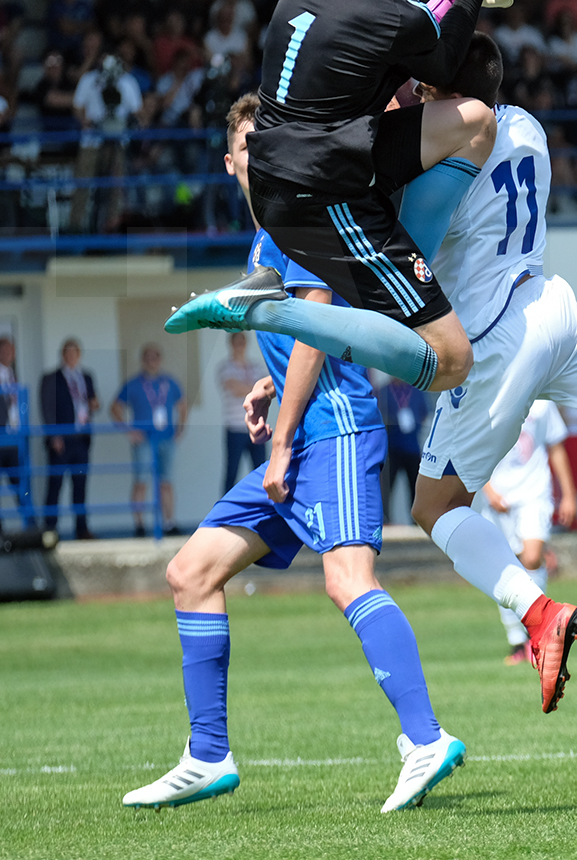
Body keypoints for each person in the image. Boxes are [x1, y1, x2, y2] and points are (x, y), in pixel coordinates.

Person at [177, 34, 577, 716]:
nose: (414, 99)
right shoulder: (528, 127)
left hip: (493, 342)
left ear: (439, 97)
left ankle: (536, 613)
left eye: (423, 91)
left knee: (434, 507)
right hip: (552, 305)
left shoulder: (440, 162)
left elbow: (392, 268)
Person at [124, 94, 465, 813]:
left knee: (347, 579)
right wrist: (267, 386)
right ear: (230, 163)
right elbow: (310, 332)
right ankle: (207, 755)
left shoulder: (298, 217)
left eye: (273, 144)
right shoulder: (266, 234)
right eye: (252, 146)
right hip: (305, 430)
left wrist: (279, 440)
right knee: (191, 572)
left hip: (332, 432)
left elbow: (317, 328)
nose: (264, 157)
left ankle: (425, 738)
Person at [169, 0, 556, 398]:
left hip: (293, 169)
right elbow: (437, 57)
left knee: (474, 121)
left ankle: (393, 261)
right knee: (450, 360)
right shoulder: (384, 12)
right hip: (322, 195)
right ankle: (272, 311)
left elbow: (417, 29)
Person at [479, 400, 577, 664]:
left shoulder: (543, 402)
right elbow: (475, 450)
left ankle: (538, 629)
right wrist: (489, 491)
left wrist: (568, 495)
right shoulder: (491, 398)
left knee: (532, 558)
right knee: (505, 570)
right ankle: (516, 640)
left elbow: (556, 447)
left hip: (535, 493)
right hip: (500, 498)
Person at [112, 344, 187, 537]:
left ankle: (169, 523)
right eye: (148, 357)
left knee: (166, 482)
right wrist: (129, 431)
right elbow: (115, 408)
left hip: (166, 439)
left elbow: (183, 404)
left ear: (160, 360)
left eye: (155, 357)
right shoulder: (134, 384)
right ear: (143, 360)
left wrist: (180, 428)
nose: (152, 361)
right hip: (144, 440)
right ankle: (140, 525)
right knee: (141, 481)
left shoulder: (169, 382)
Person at [39, 339, 97, 539]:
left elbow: (91, 402)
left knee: (80, 485)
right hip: (61, 441)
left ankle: (82, 529)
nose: (72, 357)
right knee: (55, 485)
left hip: (81, 439)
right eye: (68, 353)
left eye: (75, 353)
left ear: (79, 355)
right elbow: (46, 408)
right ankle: (49, 530)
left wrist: (94, 405)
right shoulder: (51, 378)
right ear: (63, 355)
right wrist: (53, 435)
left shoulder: (86, 377)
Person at [0, 336, 34, 530]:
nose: (8, 354)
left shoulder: (15, 374)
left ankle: (30, 526)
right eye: (3, 350)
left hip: (15, 439)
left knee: (20, 485)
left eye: (11, 351)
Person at [216, 333, 266, 491]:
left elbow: (266, 391)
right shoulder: (225, 367)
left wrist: (250, 388)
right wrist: (256, 388)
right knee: (232, 473)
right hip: (235, 427)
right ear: (231, 344)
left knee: (262, 473)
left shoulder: (256, 366)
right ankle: (226, 514)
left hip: (258, 427)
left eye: (242, 342)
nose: (240, 345)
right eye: (237, 342)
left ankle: (263, 510)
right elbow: (234, 388)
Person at [377, 377, 429, 525]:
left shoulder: (416, 390)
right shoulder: (384, 391)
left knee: (415, 486)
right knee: (387, 486)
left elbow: (424, 413)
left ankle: (416, 521)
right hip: (391, 447)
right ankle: (385, 519)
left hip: (412, 447)